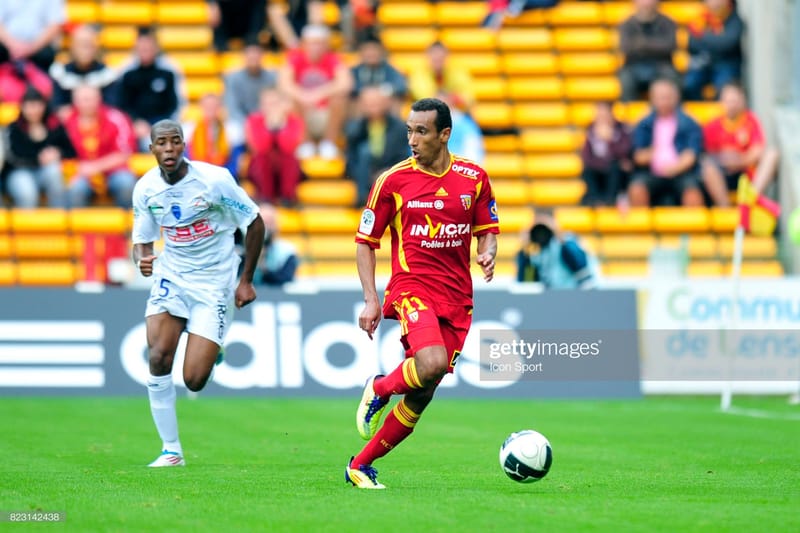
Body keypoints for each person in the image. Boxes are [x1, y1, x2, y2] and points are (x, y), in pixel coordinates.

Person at [347, 98, 499, 489]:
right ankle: (379, 387)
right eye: (409, 131)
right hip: (412, 287)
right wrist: (371, 298)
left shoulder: (474, 178)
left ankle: (359, 466)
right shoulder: (392, 181)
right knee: (429, 364)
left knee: (423, 392)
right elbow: (366, 241)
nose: (412, 139)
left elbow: (488, 230)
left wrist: (487, 252)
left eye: (422, 131)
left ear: (444, 134)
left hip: (457, 298)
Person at [132, 119, 265, 468]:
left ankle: (212, 347)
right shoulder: (145, 189)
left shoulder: (215, 181)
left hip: (214, 283)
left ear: (183, 145)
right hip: (171, 277)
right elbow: (142, 242)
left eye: (175, 142)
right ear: (152, 149)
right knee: (159, 355)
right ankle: (171, 449)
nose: (169, 149)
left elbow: (254, 221)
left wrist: (246, 280)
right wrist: (142, 261)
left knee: (193, 380)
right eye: (161, 143)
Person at [277, 24, 353, 160]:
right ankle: (305, 143)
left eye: (320, 44)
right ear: (304, 44)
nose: (316, 47)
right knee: (293, 99)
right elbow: (284, 84)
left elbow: (345, 83)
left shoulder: (333, 59)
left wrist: (317, 94)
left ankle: (329, 142)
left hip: (327, 114)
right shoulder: (295, 58)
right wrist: (303, 96)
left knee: (339, 99)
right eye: (312, 43)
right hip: (303, 112)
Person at [628, 77, 704, 207]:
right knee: (637, 189)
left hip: (681, 173)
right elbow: (637, 155)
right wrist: (653, 154)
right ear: (653, 99)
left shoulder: (688, 123)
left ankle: (692, 227)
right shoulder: (644, 124)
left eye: (667, 97)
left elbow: (692, 154)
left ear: (676, 97)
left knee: (693, 193)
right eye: (660, 97)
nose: (664, 102)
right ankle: (640, 227)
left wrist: (674, 168)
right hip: (651, 173)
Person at [701, 82, 779, 206]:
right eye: (728, 101)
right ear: (721, 101)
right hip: (723, 174)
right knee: (707, 166)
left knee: (772, 154)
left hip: (746, 171)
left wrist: (739, 160)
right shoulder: (713, 125)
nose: (732, 105)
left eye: (735, 101)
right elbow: (707, 154)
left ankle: (751, 200)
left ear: (743, 100)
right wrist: (725, 159)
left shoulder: (750, 120)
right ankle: (724, 208)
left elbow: (757, 150)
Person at [63, 85, 138, 207]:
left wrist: (95, 167)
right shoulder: (65, 121)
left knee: (126, 183)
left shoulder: (116, 118)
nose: (87, 103)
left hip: (113, 171)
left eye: (90, 99)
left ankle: (129, 224)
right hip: (80, 172)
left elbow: (124, 152)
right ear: (74, 101)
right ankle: (80, 226)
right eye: (83, 99)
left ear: (99, 98)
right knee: (75, 188)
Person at [3, 86, 75, 208]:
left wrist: (58, 153)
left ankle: (58, 220)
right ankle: (26, 225)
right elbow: (12, 158)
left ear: (44, 106)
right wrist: (39, 159)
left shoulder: (54, 126)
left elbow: (71, 150)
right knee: (27, 192)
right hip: (19, 172)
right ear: (22, 108)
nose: (34, 111)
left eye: (37, 106)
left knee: (55, 172)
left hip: (45, 172)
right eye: (29, 106)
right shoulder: (13, 128)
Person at [118, 27, 184, 152]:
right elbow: (121, 105)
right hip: (134, 126)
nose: (145, 50)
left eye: (148, 46)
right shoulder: (126, 71)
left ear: (156, 47)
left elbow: (177, 105)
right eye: (141, 46)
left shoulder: (169, 70)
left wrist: (162, 127)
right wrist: (134, 123)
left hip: (163, 124)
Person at [345, 85, 409, 206]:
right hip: (363, 173)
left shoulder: (400, 127)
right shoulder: (355, 128)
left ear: (386, 103)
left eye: (376, 103)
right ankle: (363, 198)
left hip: (388, 172)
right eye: (369, 103)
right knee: (364, 151)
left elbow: (402, 156)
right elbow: (351, 158)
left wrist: (387, 171)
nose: (373, 107)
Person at [245, 88, 305, 204]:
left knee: (289, 159)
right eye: (267, 104)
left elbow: (288, 148)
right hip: (262, 172)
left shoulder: (294, 121)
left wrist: (281, 125)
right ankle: (265, 197)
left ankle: (288, 198)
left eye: (275, 103)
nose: (272, 107)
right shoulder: (254, 120)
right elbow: (261, 148)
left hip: (285, 171)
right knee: (262, 159)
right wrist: (269, 126)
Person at [48, 24, 118, 119]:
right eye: (81, 45)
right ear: (72, 47)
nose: (85, 50)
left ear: (96, 47)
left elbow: (111, 108)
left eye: (88, 45)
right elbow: (57, 106)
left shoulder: (107, 74)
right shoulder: (60, 73)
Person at [617, 0, 679, 102]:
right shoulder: (626, 24)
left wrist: (642, 44)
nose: (646, 3)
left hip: (661, 66)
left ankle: (672, 113)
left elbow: (670, 46)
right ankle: (629, 112)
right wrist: (655, 45)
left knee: (672, 76)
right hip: (633, 67)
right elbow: (625, 48)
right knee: (625, 78)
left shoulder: (667, 23)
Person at [516, 213, 598, 289]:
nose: (541, 233)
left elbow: (581, 267)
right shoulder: (532, 253)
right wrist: (525, 250)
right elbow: (527, 281)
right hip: (547, 298)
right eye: (537, 229)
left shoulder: (566, 244)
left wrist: (560, 237)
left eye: (544, 228)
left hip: (570, 294)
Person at [683, 0, 744, 101]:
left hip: (726, 63)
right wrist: (716, 40)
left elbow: (727, 44)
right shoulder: (699, 19)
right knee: (689, 84)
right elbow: (690, 43)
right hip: (703, 62)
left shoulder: (734, 19)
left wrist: (701, 36)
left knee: (724, 87)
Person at [223, 42, 277, 149]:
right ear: (244, 57)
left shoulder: (273, 77)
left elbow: (277, 102)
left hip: (267, 120)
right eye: (250, 55)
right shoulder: (233, 78)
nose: (253, 58)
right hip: (242, 121)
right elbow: (232, 107)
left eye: (256, 55)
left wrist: (263, 121)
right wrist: (249, 124)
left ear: (262, 56)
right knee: (232, 132)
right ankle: (236, 162)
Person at [580, 101, 633, 206]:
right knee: (587, 170)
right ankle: (596, 201)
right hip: (598, 171)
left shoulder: (622, 130)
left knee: (615, 167)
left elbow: (625, 153)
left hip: (615, 173)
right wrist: (602, 163)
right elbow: (586, 157)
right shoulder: (590, 130)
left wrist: (609, 140)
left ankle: (610, 201)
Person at [0, 0, 64, 72]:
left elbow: (55, 25)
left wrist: (31, 48)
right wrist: (12, 45)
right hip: (6, 44)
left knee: (45, 55)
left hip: (38, 46)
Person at [409, 42, 475, 112]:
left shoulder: (458, 71)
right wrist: (449, 99)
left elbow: (469, 98)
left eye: (441, 58)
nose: (438, 62)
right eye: (435, 59)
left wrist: (453, 99)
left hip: (455, 113)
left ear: (447, 56)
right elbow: (423, 97)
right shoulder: (419, 73)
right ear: (428, 57)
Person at [184, 93, 234, 174]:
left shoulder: (230, 129)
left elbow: (233, 159)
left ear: (220, 108)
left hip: (223, 173)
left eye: (214, 106)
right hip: (196, 173)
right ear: (201, 107)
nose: (211, 109)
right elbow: (186, 158)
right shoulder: (189, 129)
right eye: (207, 106)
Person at [350, 34, 408, 102]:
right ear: (360, 52)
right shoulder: (354, 71)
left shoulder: (389, 70)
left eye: (374, 49)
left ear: (381, 51)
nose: (371, 54)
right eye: (367, 50)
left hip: (384, 105)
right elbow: (348, 87)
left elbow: (401, 86)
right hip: (361, 105)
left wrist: (382, 91)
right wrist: (365, 92)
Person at [255, 203, 299, 285]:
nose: (265, 228)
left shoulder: (287, 251)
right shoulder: (243, 249)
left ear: (276, 226)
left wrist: (262, 266)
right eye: (261, 222)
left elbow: (286, 279)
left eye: (268, 223)